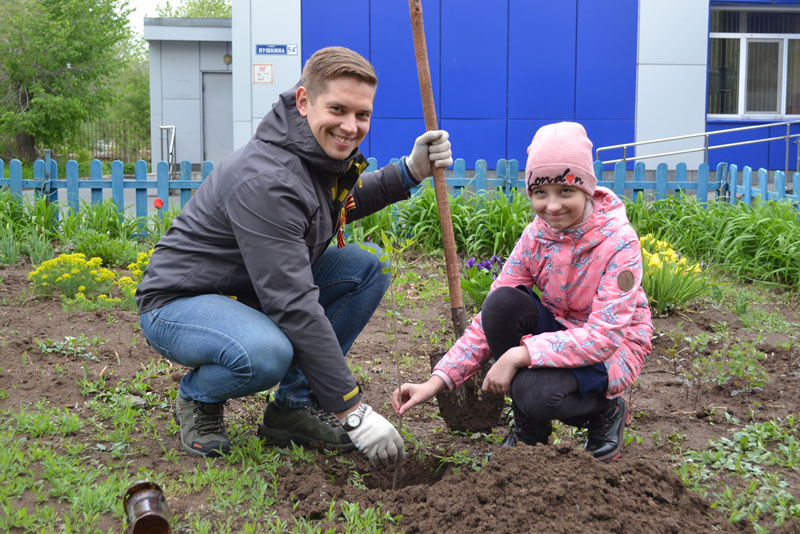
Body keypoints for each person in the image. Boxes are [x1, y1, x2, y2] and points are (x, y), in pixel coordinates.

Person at [136, 46, 452, 467]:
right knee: (266, 353)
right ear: (304, 101)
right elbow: (292, 302)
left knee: (365, 267)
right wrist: (351, 409)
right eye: (337, 109)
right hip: (182, 302)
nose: (350, 126)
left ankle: (291, 409)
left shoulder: (309, 155)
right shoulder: (268, 178)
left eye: (362, 115)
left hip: (244, 289)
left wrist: (409, 172)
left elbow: (334, 204)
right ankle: (199, 395)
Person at [392, 122, 652, 462]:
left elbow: (603, 337)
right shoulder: (537, 236)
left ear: (587, 189)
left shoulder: (619, 242)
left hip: (611, 350)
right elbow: (491, 317)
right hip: (561, 332)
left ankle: (606, 411)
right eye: (540, 193)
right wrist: (437, 381)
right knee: (501, 306)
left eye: (566, 191)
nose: (552, 206)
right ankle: (533, 429)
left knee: (535, 394)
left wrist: (519, 355)